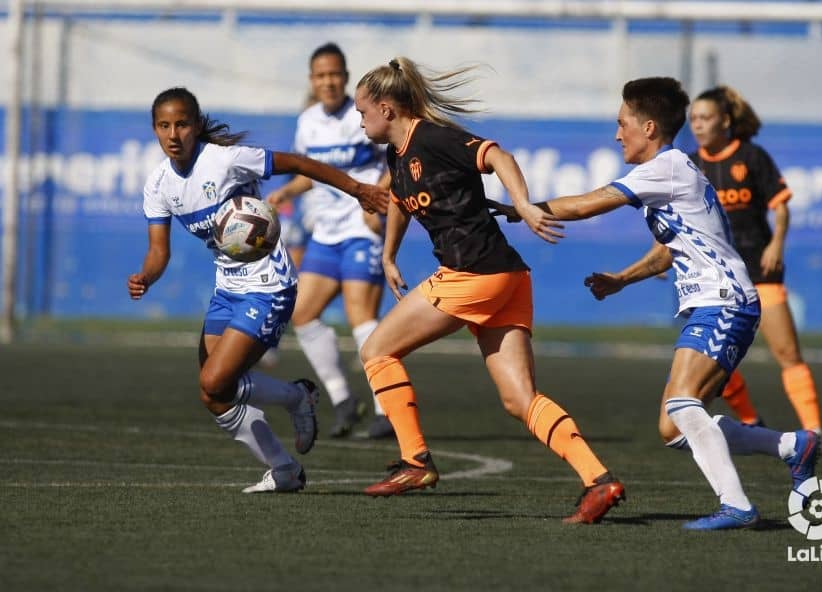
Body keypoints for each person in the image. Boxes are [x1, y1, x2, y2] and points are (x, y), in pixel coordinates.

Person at [493, 77, 818, 530]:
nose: (616, 134)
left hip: (723, 302)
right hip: (716, 303)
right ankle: (789, 446)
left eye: (622, 123)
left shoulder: (665, 167)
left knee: (683, 405)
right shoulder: (671, 173)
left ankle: (737, 505)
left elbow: (589, 204)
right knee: (673, 428)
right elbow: (672, 247)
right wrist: (622, 279)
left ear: (648, 128)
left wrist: (521, 207)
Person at [352, 57, 625, 525]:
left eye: (362, 112)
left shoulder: (434, 137)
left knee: (377, 350)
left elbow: (498, 156)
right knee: (519, 400)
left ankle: (415, 461)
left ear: (386, 109)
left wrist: (522, 203)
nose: (360, 121)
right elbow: (399, 198)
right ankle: (598, 480)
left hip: (472, 274)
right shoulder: (397, 156)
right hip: (508, 279)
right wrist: (388, 254)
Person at [128, 87, 387, 493]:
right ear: (155, 130)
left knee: (215, 381)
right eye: (164, 125)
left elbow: (299, 162)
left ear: (195, 126)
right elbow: (158, 252)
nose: (173, 133)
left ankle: (295, 401)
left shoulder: (226, 160)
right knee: (214, 395)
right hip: (227, 288)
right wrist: (146, 276)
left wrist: (358, 190)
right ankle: (284, 465)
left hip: (270, 284)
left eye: (181, 124)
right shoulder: (159, 184)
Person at [688, 86, 822, 456]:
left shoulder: (752, 157)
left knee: (787, 352)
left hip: (760, 270)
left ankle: (814, 434)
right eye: (693, 118)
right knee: (711, 357)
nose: (698, 125)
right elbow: (678, 219)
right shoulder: (690, 166)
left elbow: (782, 207)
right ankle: (749, 421)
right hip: (717, 277)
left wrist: (776, 243)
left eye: (705, 117)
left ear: (725, 121)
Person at [266, 43, 394, 440]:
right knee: (302, 314)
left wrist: (377, 202)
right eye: (321, 75)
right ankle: (342, 401)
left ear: (345, 75)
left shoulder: (362, 114)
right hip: (326, 234)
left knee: (361, 317)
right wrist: (287, 192)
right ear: (312, 80)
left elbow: (398, 158)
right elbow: (310, 173)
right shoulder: (307, 122)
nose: (328, 81)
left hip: (361, 230)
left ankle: (385, 410)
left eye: (335, 74)